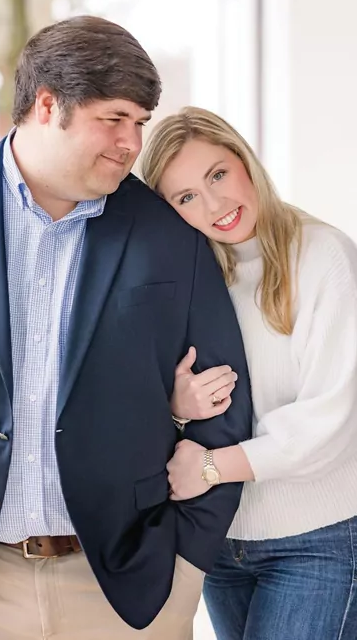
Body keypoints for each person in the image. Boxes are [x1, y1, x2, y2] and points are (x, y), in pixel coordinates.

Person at [0, 18, 252, 640]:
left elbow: (226, 394)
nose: (131, 143)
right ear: (47, 105)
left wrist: (187, 559)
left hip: (127, 584)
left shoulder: (169, 231)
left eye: (140, 123)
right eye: (113, 118)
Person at [142, 105, 357, 640]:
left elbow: (329, 421)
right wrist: (175, 407)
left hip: (316, 541)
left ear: (244, 159)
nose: (215, 205)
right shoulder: (190, 276)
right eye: (186, 197)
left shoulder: (324, 256)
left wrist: (211, 466)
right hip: (220, 539)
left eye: (217, 175)